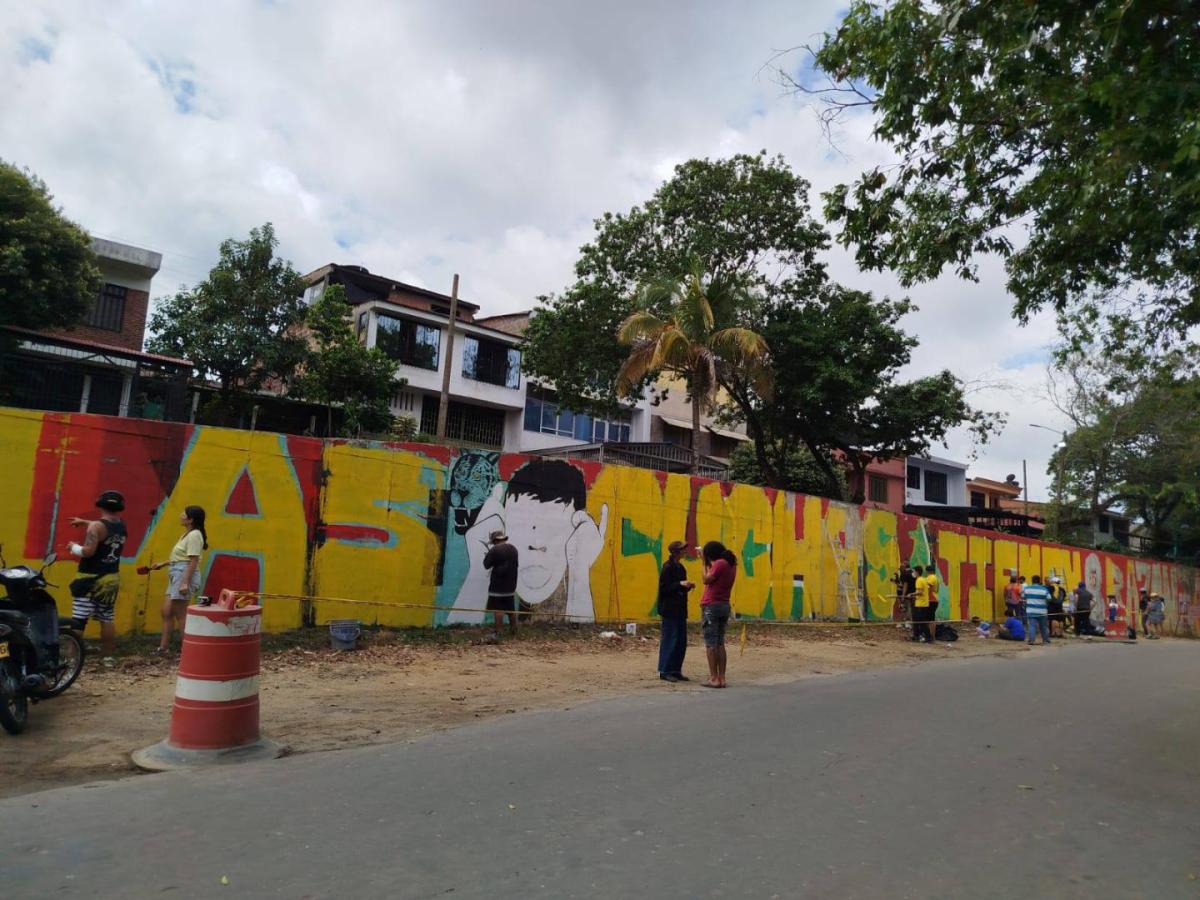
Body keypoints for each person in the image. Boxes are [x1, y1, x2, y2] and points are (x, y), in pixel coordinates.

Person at [66, 490, 127, 665]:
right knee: (107, 618)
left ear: (99, 504)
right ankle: (107, 656)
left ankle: (71, 658)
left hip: (89, 579)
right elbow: (104, 527)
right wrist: (85, 522)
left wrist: (73, 547)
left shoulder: (95, 527)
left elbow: (88, 551)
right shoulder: (121, 524)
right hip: (110, 579)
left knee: (79, 619)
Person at [149, 506, 207, 654]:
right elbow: (181, 558)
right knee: (167, 611)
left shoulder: (194, 535)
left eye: (184, 514)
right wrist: (164, 563)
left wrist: (185, 582)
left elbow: (193, 561)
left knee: (181, 614)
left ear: (190, 519)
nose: (181, 515)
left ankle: (189, 650)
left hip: (183, 574)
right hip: (177, 572)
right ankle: (163, 647)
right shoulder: (187, 534)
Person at [700, 540, 737, 688]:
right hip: (724, 604)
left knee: (710, 643)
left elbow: (706, 579)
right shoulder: (731, 564)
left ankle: (713, 678)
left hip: (711, 605)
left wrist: (703, 563)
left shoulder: (720, 563)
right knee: (720, 642)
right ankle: (722, 677)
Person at [657, 541, 694, 682]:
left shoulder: (681, 568)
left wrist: (687, 586)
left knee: (680, 640)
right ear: (676, 552)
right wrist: (679, 584)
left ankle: (676, 669)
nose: (685, 551)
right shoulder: (667, 568)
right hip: (669, 610)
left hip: (680, 609)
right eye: (682, 549)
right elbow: (664, 589)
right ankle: (665, 670)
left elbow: (679, 586)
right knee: (670, 639)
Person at [482, 530, 519, 634]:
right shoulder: (513, 549)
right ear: (503, 539)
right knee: (511, 609)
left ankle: (498, 631)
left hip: (497, 585)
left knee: (498, 609)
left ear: (495, 541)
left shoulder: (494, 550)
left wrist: (488, 555)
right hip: (511, 585)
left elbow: (486, 565)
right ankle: (514, 630)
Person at [1022, 575, 1051, 645]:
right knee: (1043, 626)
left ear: (1032, 581)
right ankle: (1045, 640)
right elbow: (1049, 598)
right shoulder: (1044, 589)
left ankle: (1031, 640)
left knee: (1032, 626)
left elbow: (1023, 596)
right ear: (1039, 581)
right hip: (1042, 611)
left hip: (1031, 611)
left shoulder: (1027, 589)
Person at [923, 564, 941, 639]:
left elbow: (928, 588)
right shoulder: (936, 578)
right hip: (934, 599)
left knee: (930, 619)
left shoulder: (931, 578)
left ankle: (931, 636)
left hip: (931, 599)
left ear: (927, 571)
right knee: (929, 618)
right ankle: (930, 635)